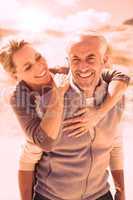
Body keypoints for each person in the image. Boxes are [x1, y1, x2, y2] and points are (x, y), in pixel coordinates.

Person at [0, 34, 129, 200]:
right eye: (27, 67)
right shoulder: (27, 99)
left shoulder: (108, 92)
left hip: (100, 194)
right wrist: (58, 96)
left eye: (38, 57)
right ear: (15, 76)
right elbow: (34, 151)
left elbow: (119, 76)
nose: (40, 67)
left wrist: (99, 113)